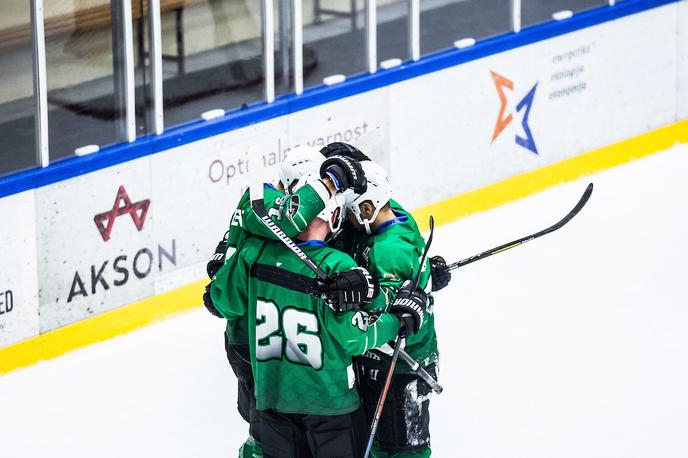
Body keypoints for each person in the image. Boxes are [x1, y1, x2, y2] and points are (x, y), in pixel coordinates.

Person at [208, 194, 428, 457]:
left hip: (271, 397)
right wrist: (398, 321)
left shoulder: (255, 252)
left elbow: (220, 301)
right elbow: (355, 338)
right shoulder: (337, 265)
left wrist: (227, 257)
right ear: (334, 216)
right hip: (331, 405)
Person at [203, 145, 368, 456]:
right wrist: (331, 181)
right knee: (266, 432)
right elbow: (292, 220)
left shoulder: (266, 218)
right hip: (251, 338)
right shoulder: (264, 204)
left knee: (275, 427)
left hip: (263, 333)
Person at [347, 160, 440, 458]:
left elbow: (389, 308)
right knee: (382, 444)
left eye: (349, 211)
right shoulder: (398, 216)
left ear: (366, 209)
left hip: (400, 364)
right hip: (390, 362)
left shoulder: (388, 250)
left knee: (404, 448)